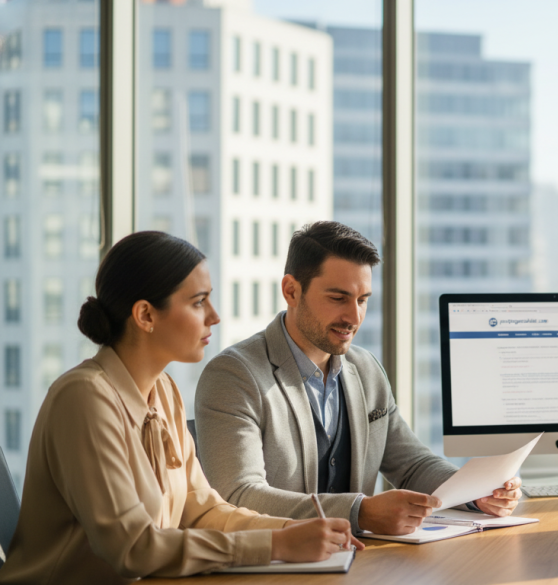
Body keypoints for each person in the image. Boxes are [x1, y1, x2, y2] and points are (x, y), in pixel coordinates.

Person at [0, 232, 361, 585]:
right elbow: (133, 548)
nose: (214, 316)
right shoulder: (83, 399)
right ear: (145, 315)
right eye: (198, 302)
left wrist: (295, 531)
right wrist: (275, 544)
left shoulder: (164, 391)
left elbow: (203, 510)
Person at [194, 222, 522, 536]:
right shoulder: (233, 375)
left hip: (360, 564)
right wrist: (359, 512)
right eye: (338, 298)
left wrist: (475, 494)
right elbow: (238, 496)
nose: (354, 317)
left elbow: (411, 465)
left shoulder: (365, 368)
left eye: (362, 300)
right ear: (291, 291)